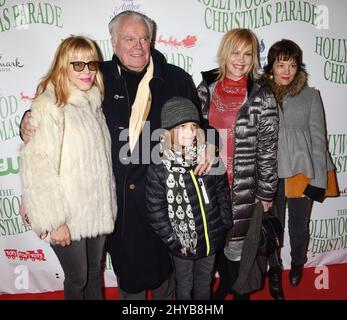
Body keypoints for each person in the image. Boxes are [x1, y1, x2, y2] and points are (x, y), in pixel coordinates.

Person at [20, 10, 212, 300]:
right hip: (120, 207)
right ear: (113, 42)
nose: (138, 45)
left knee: (166, 279)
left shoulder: (176, 78)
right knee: (129, 280)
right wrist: (25, 118)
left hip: (165, 202)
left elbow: (200, 125)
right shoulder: (97, 77)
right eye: (129, 38)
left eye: (144, 38)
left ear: (152, 40)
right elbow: (56, 100)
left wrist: (209, 143)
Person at [19, 35, 117, 300]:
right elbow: (37, 166)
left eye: (92, 64)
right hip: (66, 213)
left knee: (94, 274)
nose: (87, 71)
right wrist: (56, 221)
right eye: (78, 64)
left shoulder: (93, 103)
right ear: (63, 65)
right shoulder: (49, 105)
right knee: (77, 279)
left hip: (95, 210)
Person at [197, 28, 279, 300]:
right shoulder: (205, 88)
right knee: (215, 244)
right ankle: (225, 284)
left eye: (248, 54)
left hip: (245, 186)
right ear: (224, 52)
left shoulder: (262, 94)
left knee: (237, 249)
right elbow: (193, 133)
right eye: (236, 52)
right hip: (210, 185)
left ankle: (238, 291)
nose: (241, 60)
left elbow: (269, 147)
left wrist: (266, 193)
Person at [263, 39, 337, 293]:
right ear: (271, 65)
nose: (286, 71)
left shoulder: (310, 95)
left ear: (298, 67)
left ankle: (297, 263)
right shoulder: (260, 93)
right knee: (271, 226)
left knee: (298, 226)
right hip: (270, 173)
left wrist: (318, 181)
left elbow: (319, 139)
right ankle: (274, 269)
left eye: (292, 65)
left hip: (302, 172)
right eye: (280, 64)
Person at [146, 97, 232, 300]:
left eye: (193, 126)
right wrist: (173, 241)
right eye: (182, 127)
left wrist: (224, 225)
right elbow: (155, 210)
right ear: (169, 130)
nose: (189, 132)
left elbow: (222, 192)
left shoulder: (208, 158)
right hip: (182, 244)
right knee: (184, 285)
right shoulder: (159, 167)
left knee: (205, 282)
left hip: (211, 238)